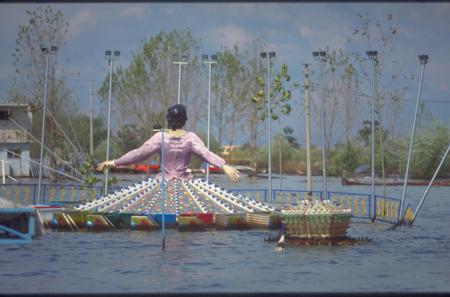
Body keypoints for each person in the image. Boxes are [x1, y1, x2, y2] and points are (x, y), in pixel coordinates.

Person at [96, 104, 240, 182]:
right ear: (185, 120)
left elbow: (139, 154)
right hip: (185, 184)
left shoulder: (160, 137)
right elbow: (206, 154)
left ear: (168, 120)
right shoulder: (191, 138)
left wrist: (115, 162)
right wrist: (224, 165)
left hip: (163, 184)